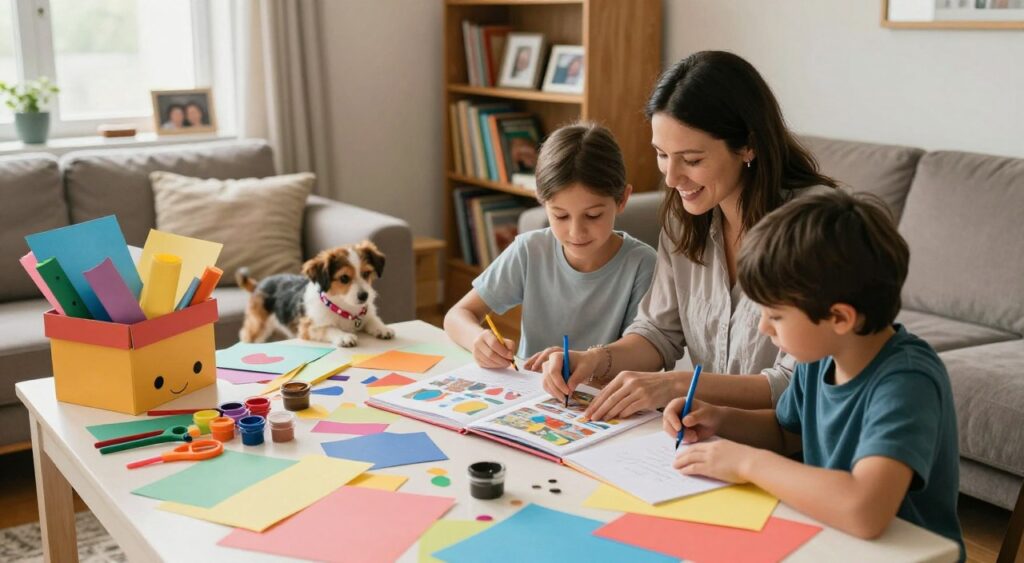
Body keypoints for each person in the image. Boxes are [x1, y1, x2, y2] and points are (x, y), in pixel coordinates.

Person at [665, 189, 964, 557]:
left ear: (839, 317)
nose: (763, 328)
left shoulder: (906, 381)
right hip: (830, 540)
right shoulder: (820, 357)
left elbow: (864, 509)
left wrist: (747, 462)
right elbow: (785, 432)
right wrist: (719, 419)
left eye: (775, 316)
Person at [540, 51, 838, 420]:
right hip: (699, 430)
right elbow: (658, 332)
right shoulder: (686, 218)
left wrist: (679, 384)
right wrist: (595, 360)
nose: (671, 179)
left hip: (785, 440)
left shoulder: (816, 226)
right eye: (662, 154)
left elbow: (796, 384)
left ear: (748, 145)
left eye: (692, 160)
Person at [445, 122, 656, 370]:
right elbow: (457, 315)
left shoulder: (642, 264)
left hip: (601, 398)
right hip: (530, 395)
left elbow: (645, 353)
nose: (576, 232)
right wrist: (477, 340)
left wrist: (587, 363)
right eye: (561, 216)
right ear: (542, 201)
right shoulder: (530, 250)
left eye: (593, 216)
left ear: (622, 200)